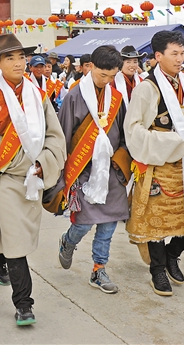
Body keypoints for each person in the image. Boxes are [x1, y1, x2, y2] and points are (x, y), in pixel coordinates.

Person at [0, 34, 67, 326]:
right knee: (16, 242)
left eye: (21, 57)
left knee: (8, 239)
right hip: (5, 176)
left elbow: (54, 136)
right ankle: (24, 304)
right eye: (10, 58)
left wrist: (44, 163)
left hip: (33, 177)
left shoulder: (39, 95)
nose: (18, 63)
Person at [124, 30, 184, 297]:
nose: (180, 59)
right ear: (158, 56)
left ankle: (172, 255)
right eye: (174, 54)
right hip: (159, 165)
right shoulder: (147, 88)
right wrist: (174, 143)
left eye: (182, 53)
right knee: (155, 225)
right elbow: (134, 130)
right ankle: (157, 269)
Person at [57, 46, 128, 294]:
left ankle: (99, 269)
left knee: (108, 224)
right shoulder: (74, 96)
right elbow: (62, 135)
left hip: (110, 169)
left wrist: (121, 160)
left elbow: (123, 133)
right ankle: (68, 241)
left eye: (112, 76)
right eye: (102, 75)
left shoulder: (116, 97)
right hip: (82, 169)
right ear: (91, 68)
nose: (106, 81)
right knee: (84, 223)